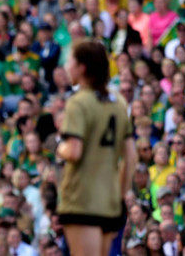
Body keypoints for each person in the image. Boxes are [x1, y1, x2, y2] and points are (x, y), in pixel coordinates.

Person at [56, 39, 137, 256]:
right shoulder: (118, 102)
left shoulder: (79, 102)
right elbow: (131, 156)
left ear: (82, 68)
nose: (67, 67)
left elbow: (74, 150)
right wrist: (120, 195)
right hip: (109, 199)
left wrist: (60, 147)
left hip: (81, 199)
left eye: (70, 62)